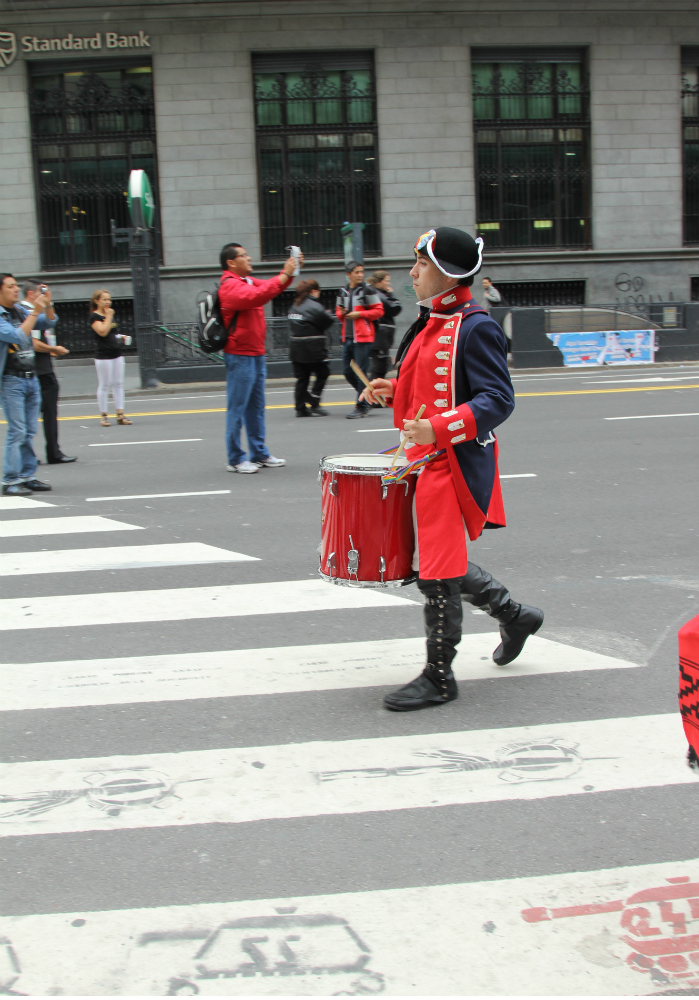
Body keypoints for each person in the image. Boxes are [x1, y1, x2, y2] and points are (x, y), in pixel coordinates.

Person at [362, 228, 544, 712]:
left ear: (444, 271)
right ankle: (515, 615)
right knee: (438, 565)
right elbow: (428, 384)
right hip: (423, 457)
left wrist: (440, 428)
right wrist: (394, 387)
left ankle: (439, 677)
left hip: (452, 462)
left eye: (419, 263)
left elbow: (497, 400)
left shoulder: (475, 324)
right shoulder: (432, 320)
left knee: (437, 571)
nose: (412, 272)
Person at [219, 242, 301, 473]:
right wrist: (285, 273)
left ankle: (259, 453)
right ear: (231, 263)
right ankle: (235, 458)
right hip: (239, 355)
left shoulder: (245, 281)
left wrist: (290, 273)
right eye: (244, 256)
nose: (249, 258)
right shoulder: (230, 286)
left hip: (254, 353)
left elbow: (269, 287)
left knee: (256, 407)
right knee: (237, 408)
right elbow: (259, 295)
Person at [0, 273, 53, 496]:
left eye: (16, 286)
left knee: (29, 430)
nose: (16, 290)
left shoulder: (21, 310)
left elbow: (49, 321)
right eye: (11, 286)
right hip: (11, 379)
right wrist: (36, 310)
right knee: (18, 430)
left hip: (31, 377)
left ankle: (27, 475)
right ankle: (10, 479)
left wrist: (48, 303)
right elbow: (17, 336)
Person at [21, 281, 76, 465]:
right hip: (39, 370)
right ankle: (48, 453)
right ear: (31, 293)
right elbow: (33, 343)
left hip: (42, 369)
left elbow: (52, 320)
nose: (44, 293)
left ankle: (50, 452)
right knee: (39, 414)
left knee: (39, 414)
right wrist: (54, 349)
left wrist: (49, 302)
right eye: (40, 291)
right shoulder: (26, 311)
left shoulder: (36, 310)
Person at [336, 261, 384, 420]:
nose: (360, 275)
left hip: (363, 337)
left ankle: (361, 406)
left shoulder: (368, 290)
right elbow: (338, 313)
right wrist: (342, 313)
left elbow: (379, 311)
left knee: (360, 372)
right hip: (348, 336)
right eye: (356, 272)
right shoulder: (343, 291)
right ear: (348, 274)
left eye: (361, 272)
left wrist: (360, 314)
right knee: (347, 371)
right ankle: (369, 394)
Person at [287, 279, 333, 418]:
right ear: (313, 291)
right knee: (323, 373)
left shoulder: (294, 306)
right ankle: (314, 400)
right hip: (313, 348)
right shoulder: (315, 306)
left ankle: (300, 408)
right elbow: (327, 321)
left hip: (296, 348)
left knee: (302, 378)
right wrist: (328, 313)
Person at [90, 290, 132, 427]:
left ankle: (120, 414)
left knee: (118, 384)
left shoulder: (110, 315)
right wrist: (108, 316)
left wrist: (121, 337)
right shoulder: (94, 316)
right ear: (97, 301)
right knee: (104, 385)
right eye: (104, 300)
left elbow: (111, 333)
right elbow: (102, 332)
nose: (108, 302)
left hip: (116, 354)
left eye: (109, 299)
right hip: (103, 356)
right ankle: (104, 415)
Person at [368, 270, 402, 386]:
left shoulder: (380, 294)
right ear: (378, 282)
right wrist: (392, 294)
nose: (388, 284)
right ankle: (372, 398)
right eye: (386, 281)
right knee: (379, 368)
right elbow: (395, 308)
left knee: (381, 367)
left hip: (382, 337)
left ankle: (374, 397)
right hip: (380, 337)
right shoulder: (378, 295)